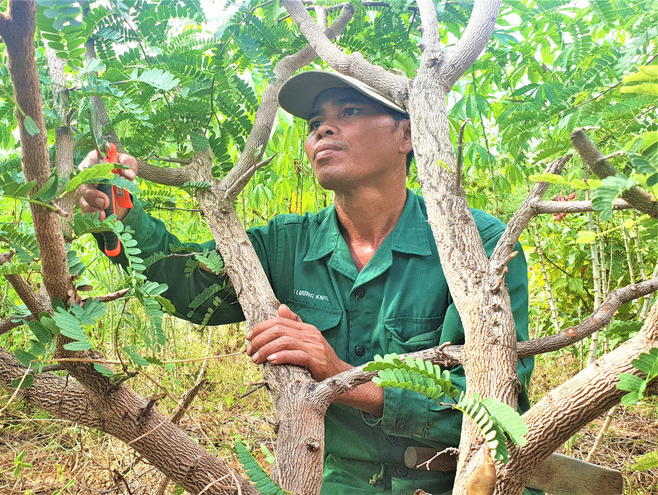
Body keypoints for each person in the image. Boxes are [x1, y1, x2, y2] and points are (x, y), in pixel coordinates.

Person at [75, 70, 533, 494]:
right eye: (316, 122)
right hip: (337, 480)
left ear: (407, 134)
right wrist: (122, 217)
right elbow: (189, 287)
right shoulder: (284, 244)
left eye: (348, 112)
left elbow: (495, 406)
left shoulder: (477, 242)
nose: (322, 130)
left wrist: (342, 378)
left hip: (463, 478)